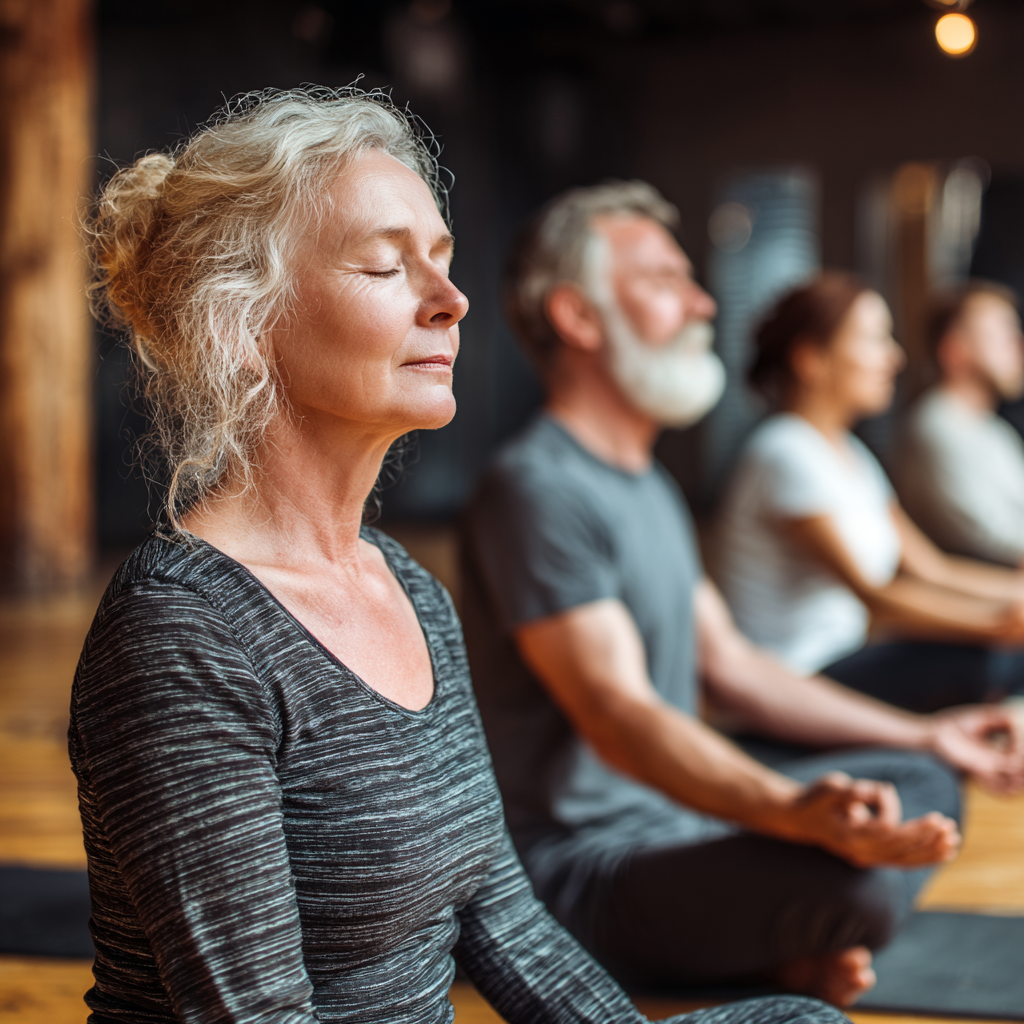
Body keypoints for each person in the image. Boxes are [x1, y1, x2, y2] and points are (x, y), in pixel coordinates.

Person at [71, 90, 843, 1024]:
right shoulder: (181, 632)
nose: (451, 301)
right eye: (386, 267)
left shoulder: (412, 592)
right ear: (242, 323)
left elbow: (506, 924)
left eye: (441, 261)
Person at [461, 181, 1024, 1010]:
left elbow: (731, 667)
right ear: (579, 318)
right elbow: (618, 715)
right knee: (858, 891)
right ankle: (746, 950)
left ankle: (764, 953)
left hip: (676, 824)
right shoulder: (537, 488)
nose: (700, 303)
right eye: (663, 281)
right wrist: (791, 809)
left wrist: (930, 734)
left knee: (925, 783)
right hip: (578, 874)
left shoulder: (645, 483)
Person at [717, 273, 1024, 712]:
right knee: (982, 658)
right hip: (797, 678)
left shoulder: (853, 456)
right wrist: (994, 626)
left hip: (846, 658)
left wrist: (1015, 599)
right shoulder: (784, 452)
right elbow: (874, 595)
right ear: (811, 359)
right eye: (874, 340)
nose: (894, 358)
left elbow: (932, 569)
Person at [896, 281, 1024, 567]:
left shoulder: (994, 429)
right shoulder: (935, 425)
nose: (1018, 345)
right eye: (1001, 334)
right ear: (955, 350)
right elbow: (986, 538)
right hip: (983, 595)